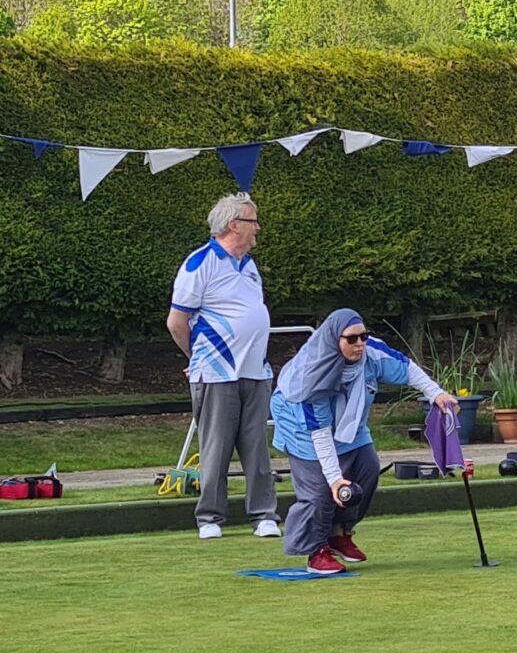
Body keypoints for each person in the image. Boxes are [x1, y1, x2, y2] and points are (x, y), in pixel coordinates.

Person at [270, 310, 456, 575]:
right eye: (352, 339)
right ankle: (316, 551)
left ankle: (339, 533)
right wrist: (335, 480)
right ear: (335, 340)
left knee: (367, 468)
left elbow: (406, 367)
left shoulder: (371, 353)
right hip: (302, 425)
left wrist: (436, 393)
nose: (360, 344)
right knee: (320, 489)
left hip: (350, 421)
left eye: (364, 336)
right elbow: (320, 434)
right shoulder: (310, 377)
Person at [166, 192, 279, 540]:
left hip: (255, 370)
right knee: (215, 446)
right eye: (253, 221)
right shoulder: (199, 263)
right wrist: (195, 358)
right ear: (234, 225)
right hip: (215, 372)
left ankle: (263, 515)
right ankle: (210, 518)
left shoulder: (250, 265)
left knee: (256, 445)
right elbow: (176, 322)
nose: (258, 227)